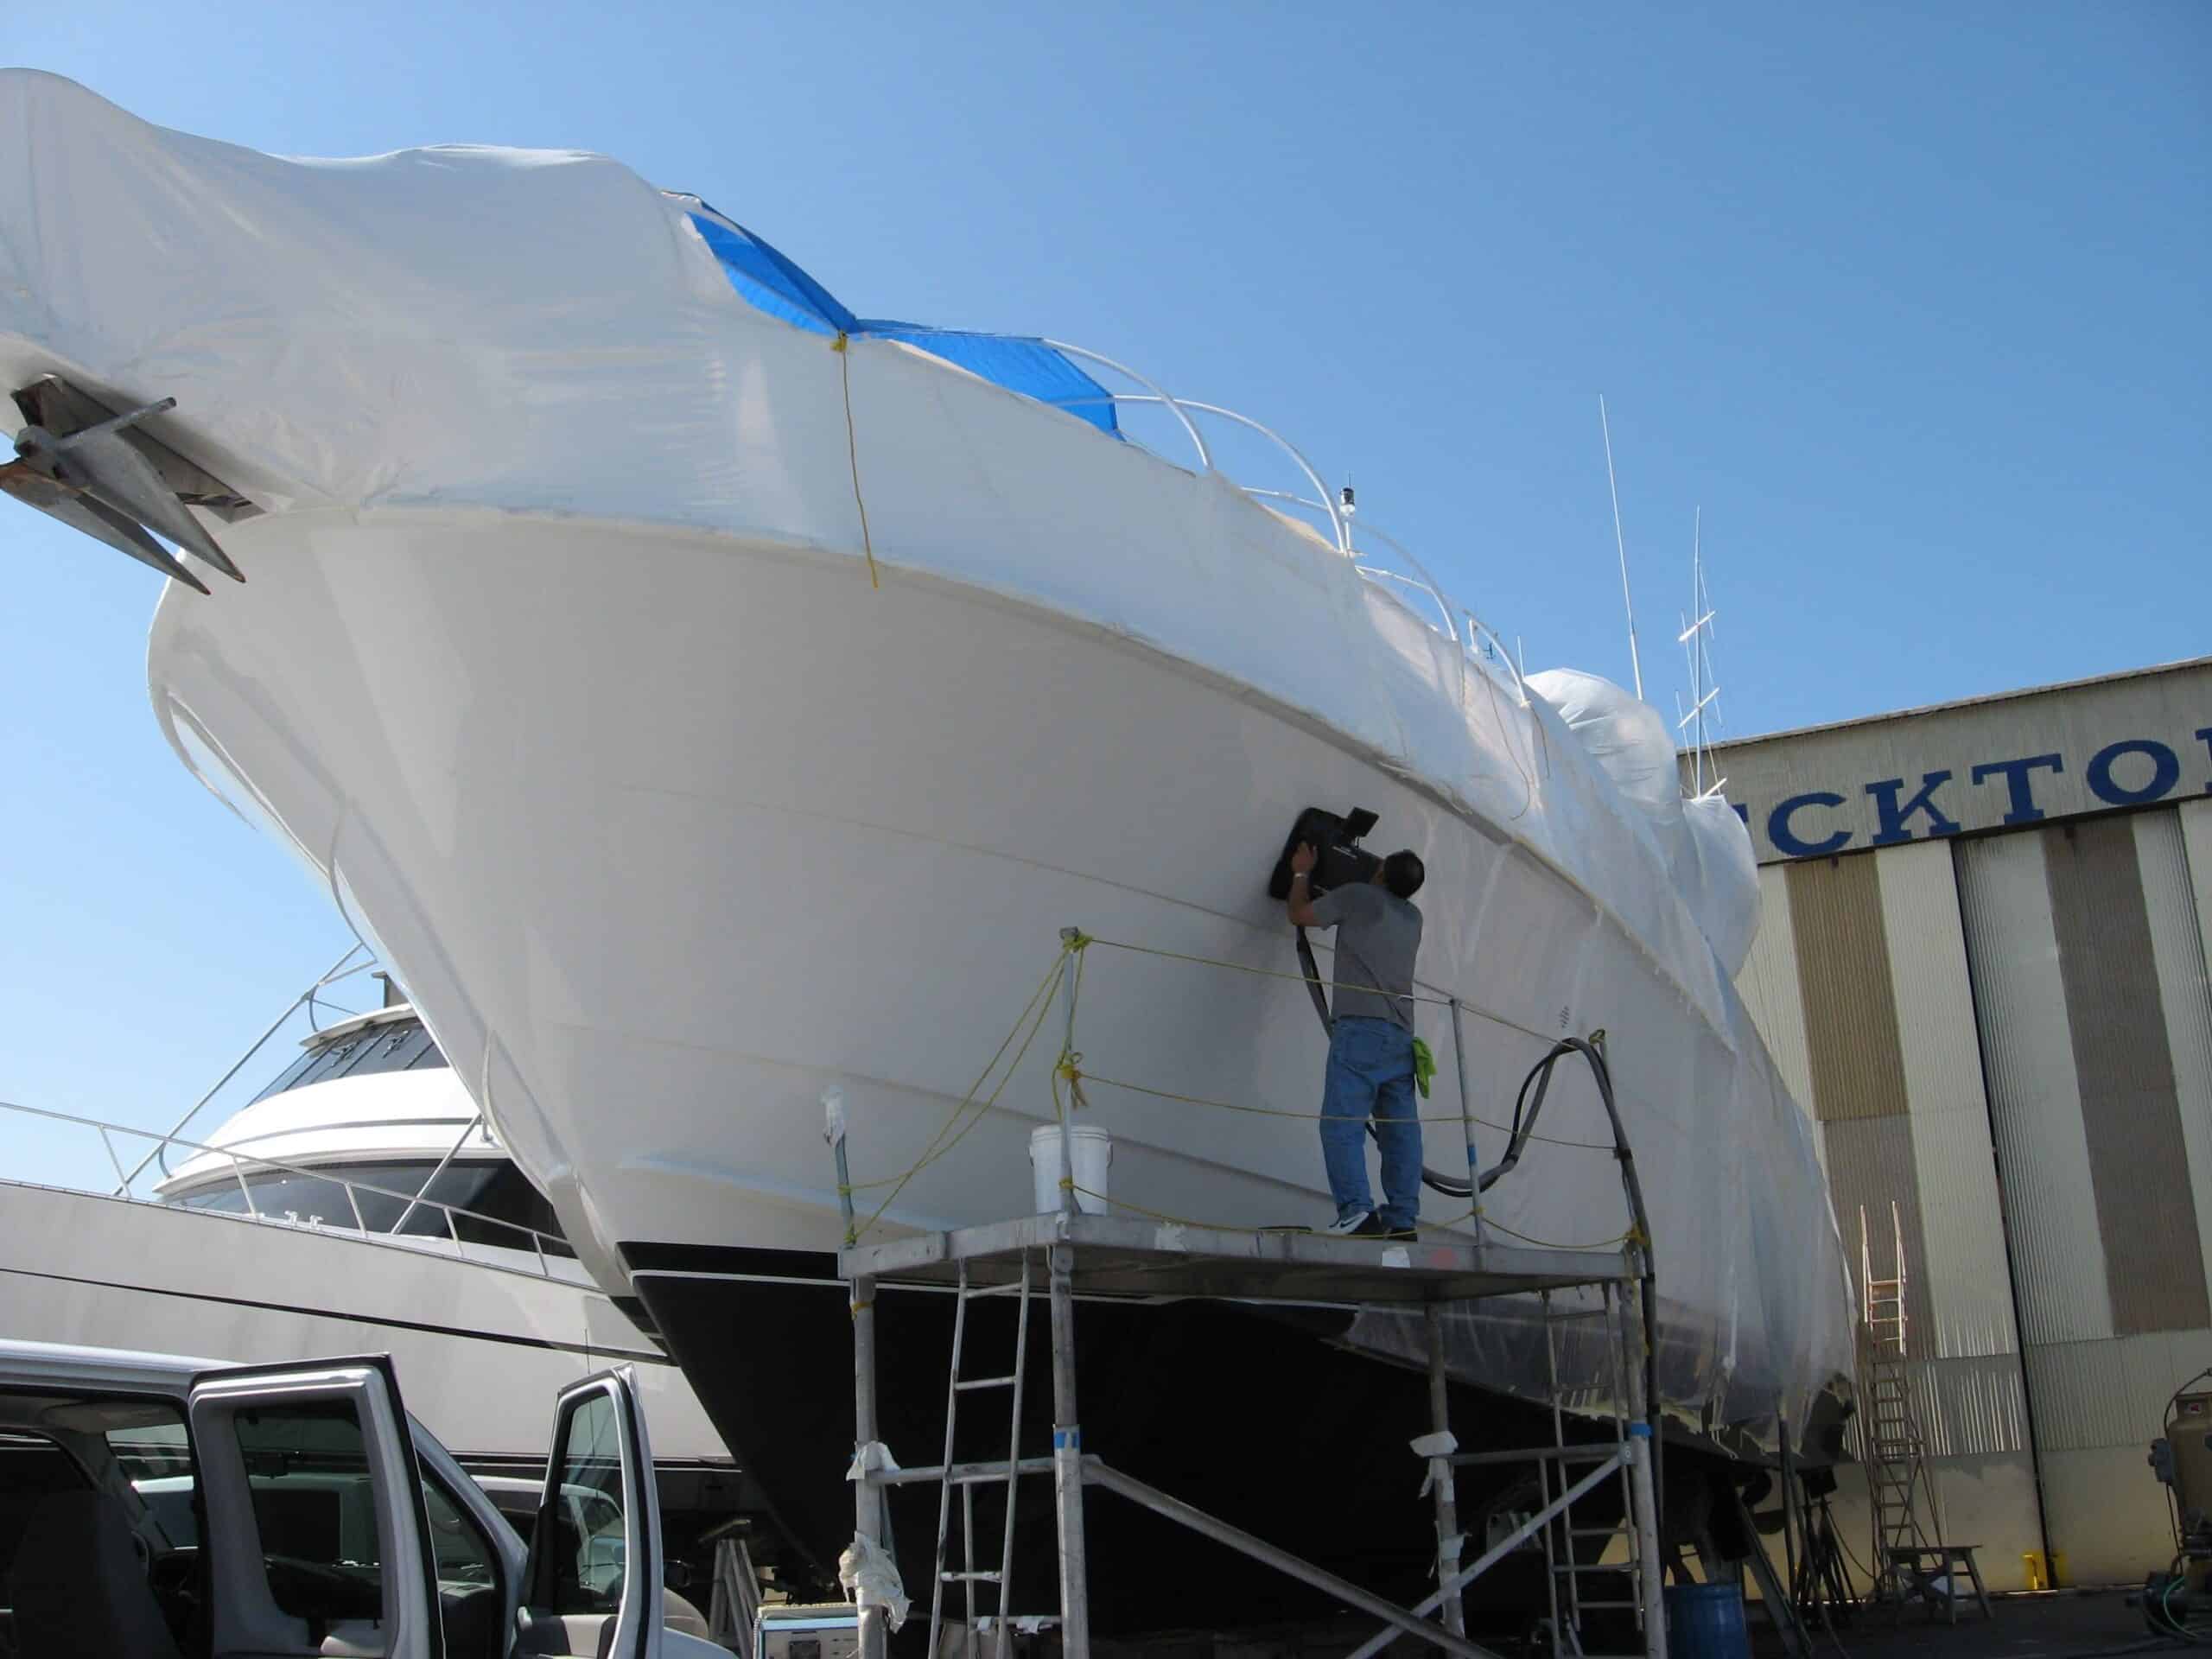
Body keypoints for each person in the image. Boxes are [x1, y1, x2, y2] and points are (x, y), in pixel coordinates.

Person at [1285, 842, 1427, 1237]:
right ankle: (1402, 1220)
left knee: (1341, 1124)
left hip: (1361, 1030)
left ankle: (1356, 1211)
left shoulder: (1358, 896)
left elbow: (1298, 914)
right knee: (1399, 1133)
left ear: (1380, 872)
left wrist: (1301, 873)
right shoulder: (1414, 918)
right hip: (1401, 1037)